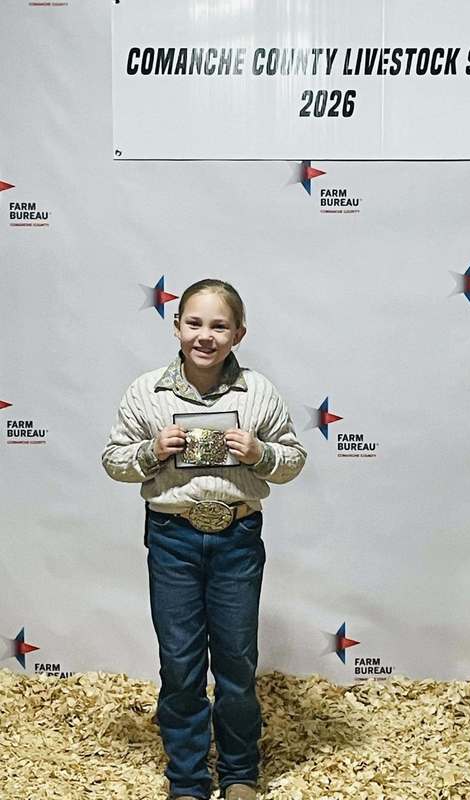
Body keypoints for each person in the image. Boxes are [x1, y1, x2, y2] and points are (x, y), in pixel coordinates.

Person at [101, 279, 307, 800]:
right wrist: (150, 451)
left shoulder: (258, 392)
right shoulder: (145, 391)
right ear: (176, 327)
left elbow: (295, 459)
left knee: (237, 660)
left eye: (219, 326)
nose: (205, 335)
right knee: (180, 662)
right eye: (194, 323)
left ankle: (239, 774)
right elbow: (113, 460)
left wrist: (261, 453)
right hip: (172, 537)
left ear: (238, 333)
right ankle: (188, 779)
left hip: (238, 534)